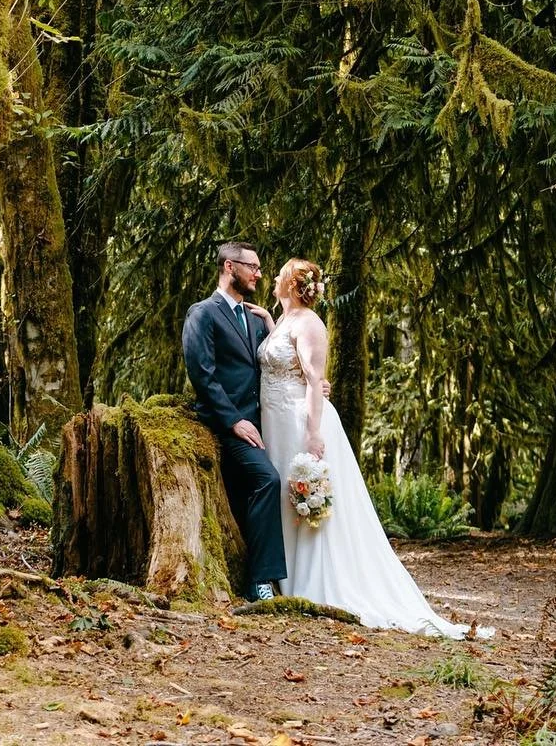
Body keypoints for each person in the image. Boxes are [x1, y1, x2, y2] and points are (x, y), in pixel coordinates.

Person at [257, 257, 479, 636]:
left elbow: (313, 381)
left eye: (280, 276)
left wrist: (313, 433)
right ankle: (284, 571)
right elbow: (282, 357)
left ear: (294, 286)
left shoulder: (311, 324)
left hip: (298, 420)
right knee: (281, 496)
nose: (274, 279)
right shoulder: (286, 321)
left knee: (301, 495)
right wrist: (267, 322)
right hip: (275, 419)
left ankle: (313, 579)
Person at [181, 241, 286, 602]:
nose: (259, 273)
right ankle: (261, 583)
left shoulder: (255, 319)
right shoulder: (203, 313)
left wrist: (311, 382)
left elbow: (273, 366)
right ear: (229, 267)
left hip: (262, 422)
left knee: (257, 491)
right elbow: (202, 374)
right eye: (252, 267)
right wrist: (233, 422)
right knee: (267, 479)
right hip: (223, 425)